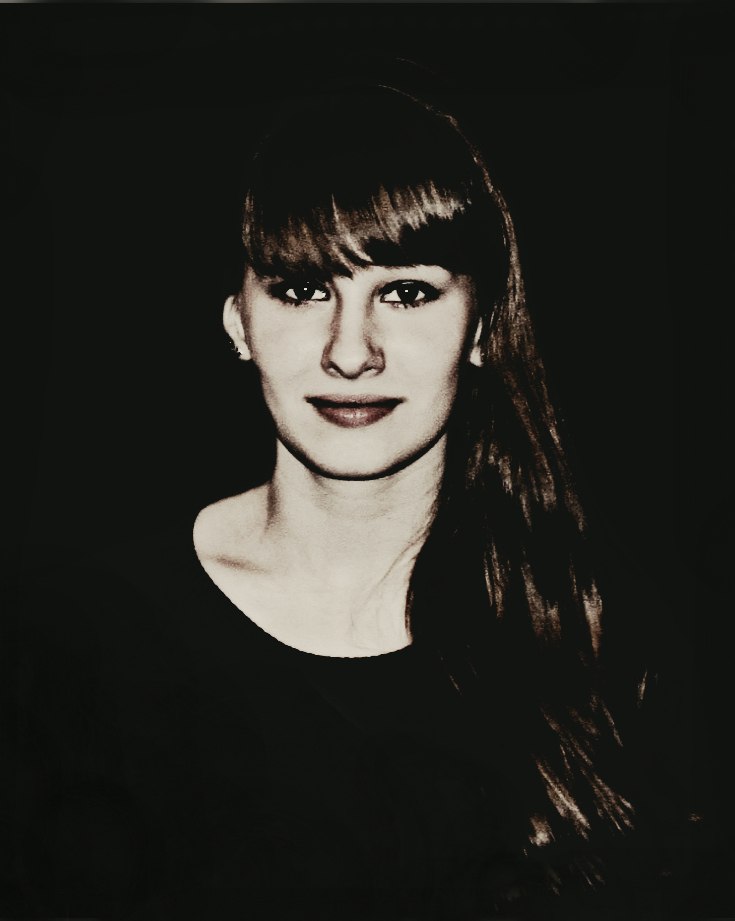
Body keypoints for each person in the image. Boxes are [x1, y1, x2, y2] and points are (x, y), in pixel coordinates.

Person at [13, 81, 676, 921]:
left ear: (480, 327)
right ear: (237, 322)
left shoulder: (606, 641)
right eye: (301, 289)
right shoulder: (74, 644)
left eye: (406, 293)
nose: (351, 352)